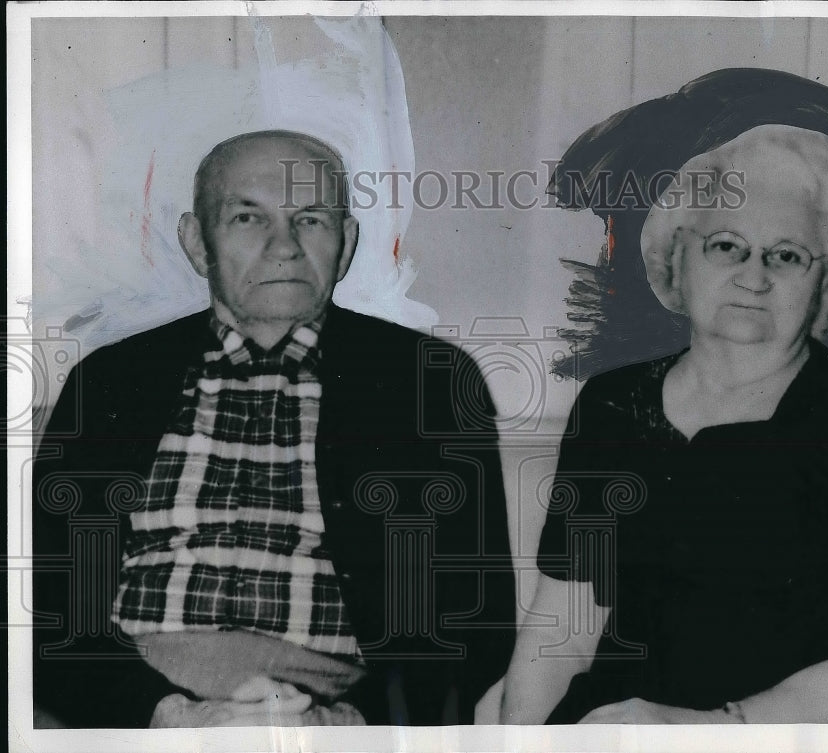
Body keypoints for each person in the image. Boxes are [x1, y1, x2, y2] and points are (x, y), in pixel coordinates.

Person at [32, 130, 515, 728]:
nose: (283, 246)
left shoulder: (429, 383)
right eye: (245, 218)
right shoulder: (111, 380)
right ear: (197, 243)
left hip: (331, 707)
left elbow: (474, 624)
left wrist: (340, 723)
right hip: (144, 699)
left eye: (310, 219)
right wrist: (167, 714)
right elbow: (45, 607)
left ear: (346, 244)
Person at [500, 123, 828, 724]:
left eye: (788, 255)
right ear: (679, 256)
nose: (755, 275)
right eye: (726, 245)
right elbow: (558, 638)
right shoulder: (611, 405)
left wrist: (717, 727)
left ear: (825, 281)